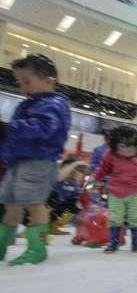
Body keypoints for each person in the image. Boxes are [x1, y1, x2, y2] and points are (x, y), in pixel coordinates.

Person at [0, 54, 71, 266]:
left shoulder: (54, 103)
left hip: (38, 161)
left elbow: (44, 128)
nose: (23, 88)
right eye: (20, 82)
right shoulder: (29, 104)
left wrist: (8, 129)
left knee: (34, 204)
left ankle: (37, 248)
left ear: (48, 79)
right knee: (11, 205)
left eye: (27, 81)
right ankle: (2, 245)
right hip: (18, 162)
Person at [93, 125, 137, 253]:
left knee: (135, 217)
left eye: (132, 147)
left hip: (136, 192)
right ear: (115, 145)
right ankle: (113, 242)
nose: (128, 150)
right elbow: (102, 169)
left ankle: (135, 242)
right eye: (123, 147)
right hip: (115, 192)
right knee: (115, 217)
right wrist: (93, 180)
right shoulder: (110, 155)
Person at [47, 159, 88, 235]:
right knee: (53, 201)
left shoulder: (74, 183)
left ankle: (54, 226)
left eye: (78, 170)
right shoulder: (57, 176)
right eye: (74, 169)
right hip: (46, 205)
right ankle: (36, 226)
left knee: (76, 206)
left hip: (57, 207)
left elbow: (75, 200)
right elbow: (59, 178)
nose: (75, 171)